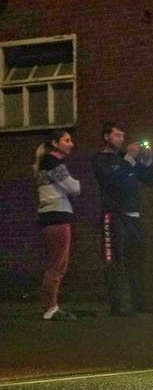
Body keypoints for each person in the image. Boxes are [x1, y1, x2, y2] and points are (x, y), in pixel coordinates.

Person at [92, 123, 153, 316]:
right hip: (114, 215)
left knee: (137, 260)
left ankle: (139, 303)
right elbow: (111, 182)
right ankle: (117, 306)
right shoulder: (100, 159)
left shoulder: (125, 159)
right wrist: (128, 159)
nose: (122, 139)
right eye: (117, 135)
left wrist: (147, 160)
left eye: (122, 136)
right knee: (115, 261)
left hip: (134, 216)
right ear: (106, 137)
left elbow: (148, 180)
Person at [34, 129, 80, 321]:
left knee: (54, 264)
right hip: (57, 217)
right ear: (55, 143)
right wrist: (77, 183)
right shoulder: (53, 163)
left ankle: (49, 306)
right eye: (66, 140)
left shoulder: (45, 163)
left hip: (49, 217)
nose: (71, 144)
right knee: (57, 265)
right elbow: (74, 188)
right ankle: (50, 308)